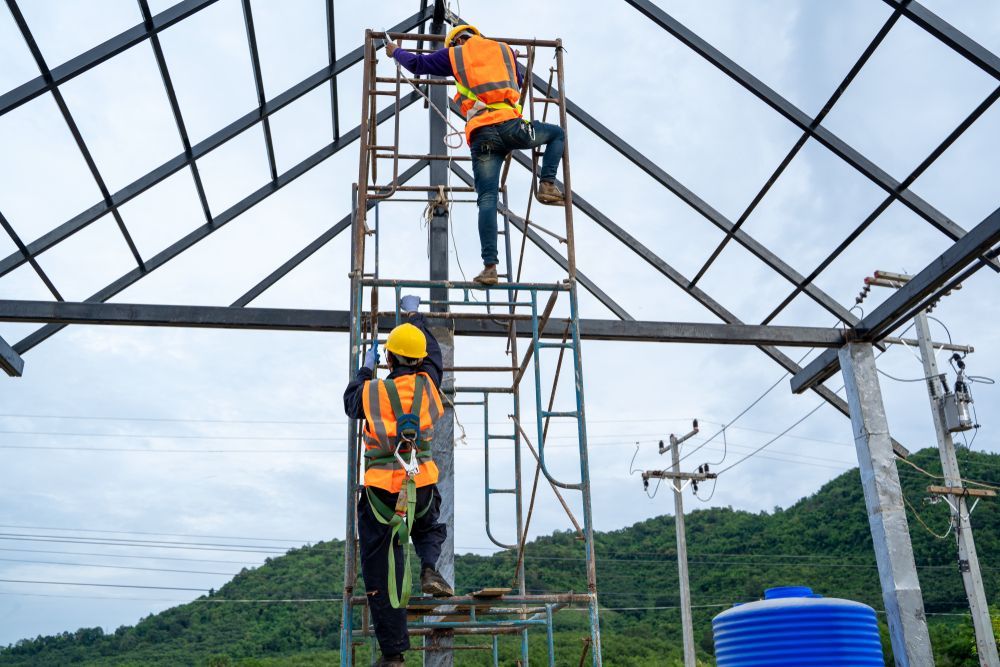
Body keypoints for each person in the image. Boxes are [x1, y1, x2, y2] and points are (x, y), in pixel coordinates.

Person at [386, 25, 566, 286]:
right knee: (556, 134)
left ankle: (490, 267)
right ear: (476, 34)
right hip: (512, 126)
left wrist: (395, 51)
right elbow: (520, 81)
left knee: (487, 199)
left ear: (456, 41)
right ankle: (547, 184)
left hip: (482, 134)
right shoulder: (505, 51)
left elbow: (417, 64)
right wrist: (512, 59)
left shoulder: (456, 55)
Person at [343, 295, 453, 666]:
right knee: (429, 528)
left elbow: (349, 401)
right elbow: (434, 360)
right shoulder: (429, 389)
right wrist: (416, 318)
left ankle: (393, 656)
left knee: (379, 566)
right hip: (420, 484)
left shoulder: (373, 392)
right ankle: (428, 567)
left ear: (389, 359)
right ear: (420, 361)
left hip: (380, 495)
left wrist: (365, 369)